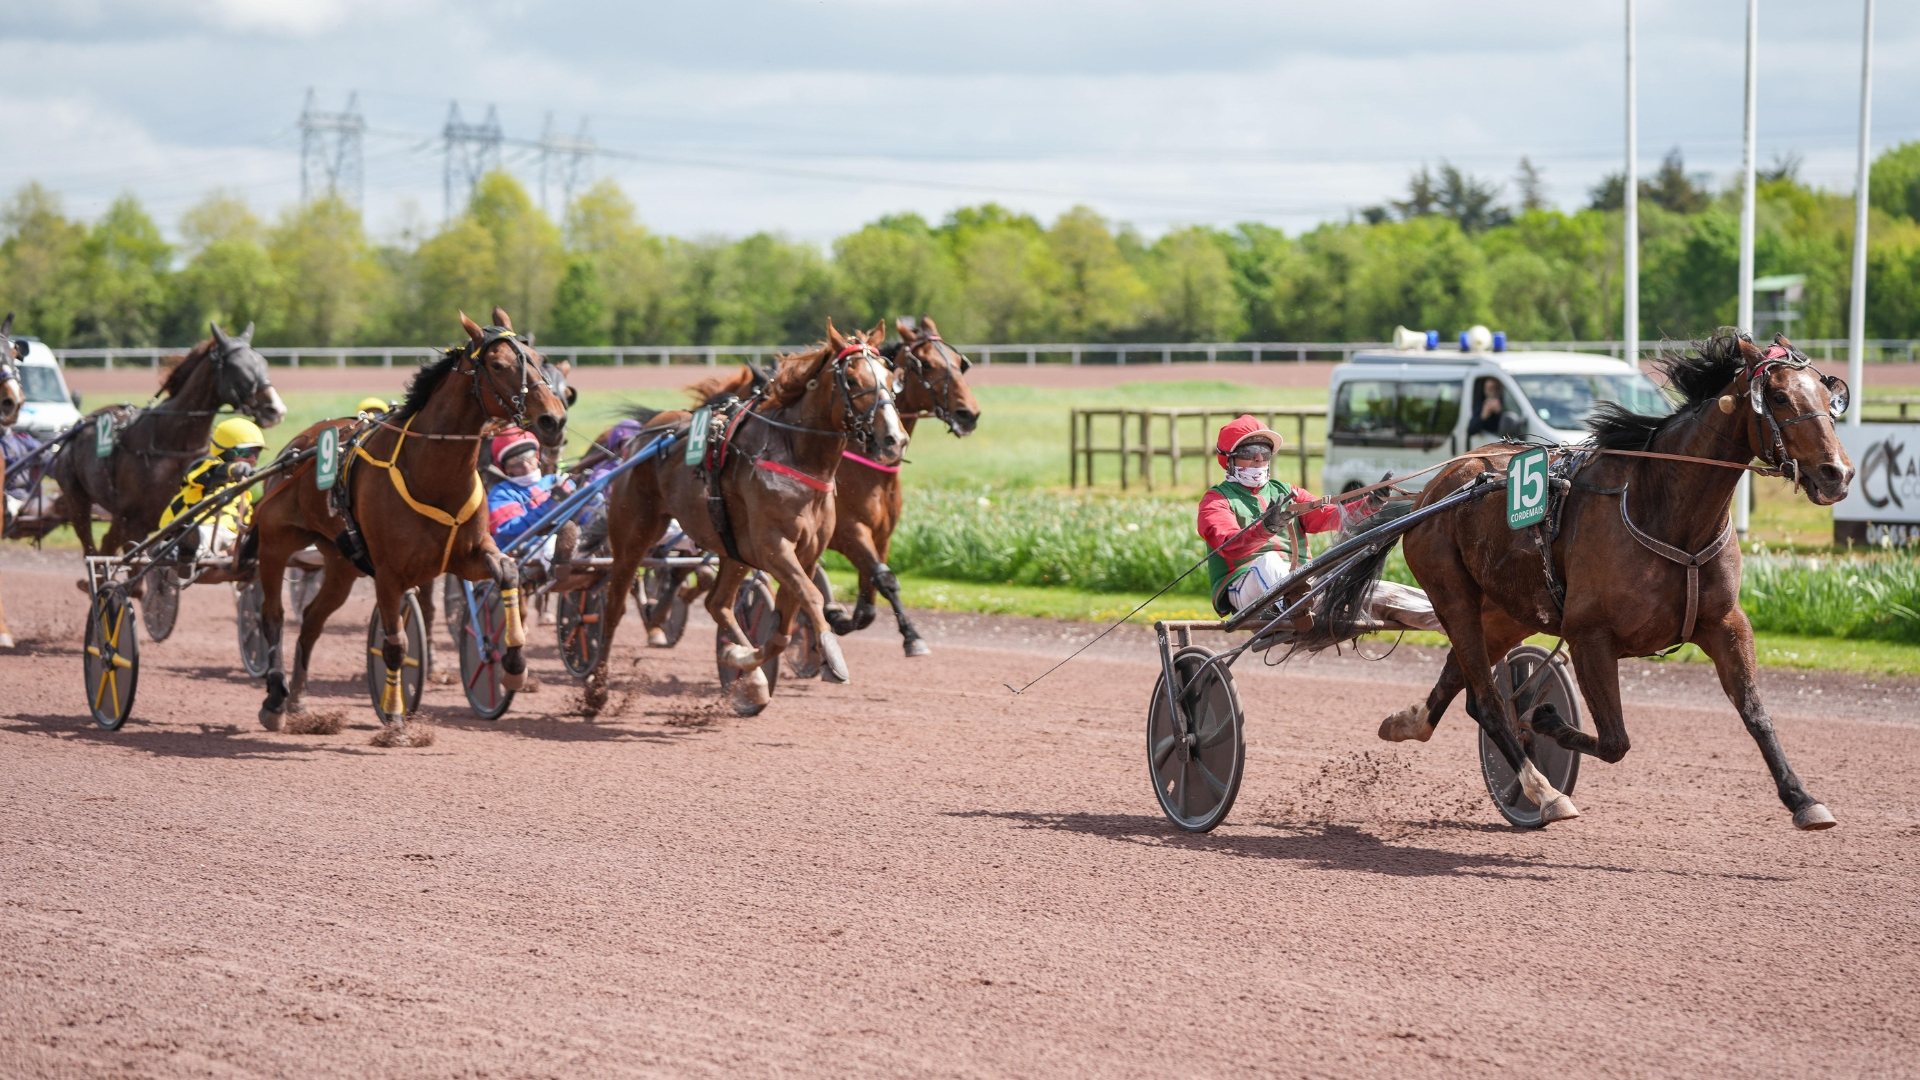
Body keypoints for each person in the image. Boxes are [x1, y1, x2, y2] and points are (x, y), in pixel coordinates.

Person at [1196, 415, 1440, 630]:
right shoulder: (1216, 500)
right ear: (1228, 459)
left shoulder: (1285, 490)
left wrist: (1370, 504)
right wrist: (1266, 527)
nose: (1259, 458)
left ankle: (1444, 618)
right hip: (1246, 590)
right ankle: (1301, 609)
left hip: (1302, 584)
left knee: (1371, 588)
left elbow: (1328, 515)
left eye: (1265, 452)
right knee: (1270, 562)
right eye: (1249, 453)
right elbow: (1228, 546)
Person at [158, 416, 265, 560]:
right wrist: (232, 469)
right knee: (206, 533)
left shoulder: (246, 491)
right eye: (245, 452)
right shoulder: (204, 465)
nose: (252, 459)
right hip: (199, 527)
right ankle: (180, 550)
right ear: (225, 451)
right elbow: (209, 474)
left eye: (256, 452)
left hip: (234, 535)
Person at [486, 426, 575, 555]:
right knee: (550, 548)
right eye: (515, 460)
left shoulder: (556, 481)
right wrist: (552, 503)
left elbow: (588, 513)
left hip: (565, 540)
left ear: (537, 456)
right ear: (506, 468)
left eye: (528, 456)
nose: (525, 464)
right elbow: (509, 532)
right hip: (521, 556)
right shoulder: (500, 493)